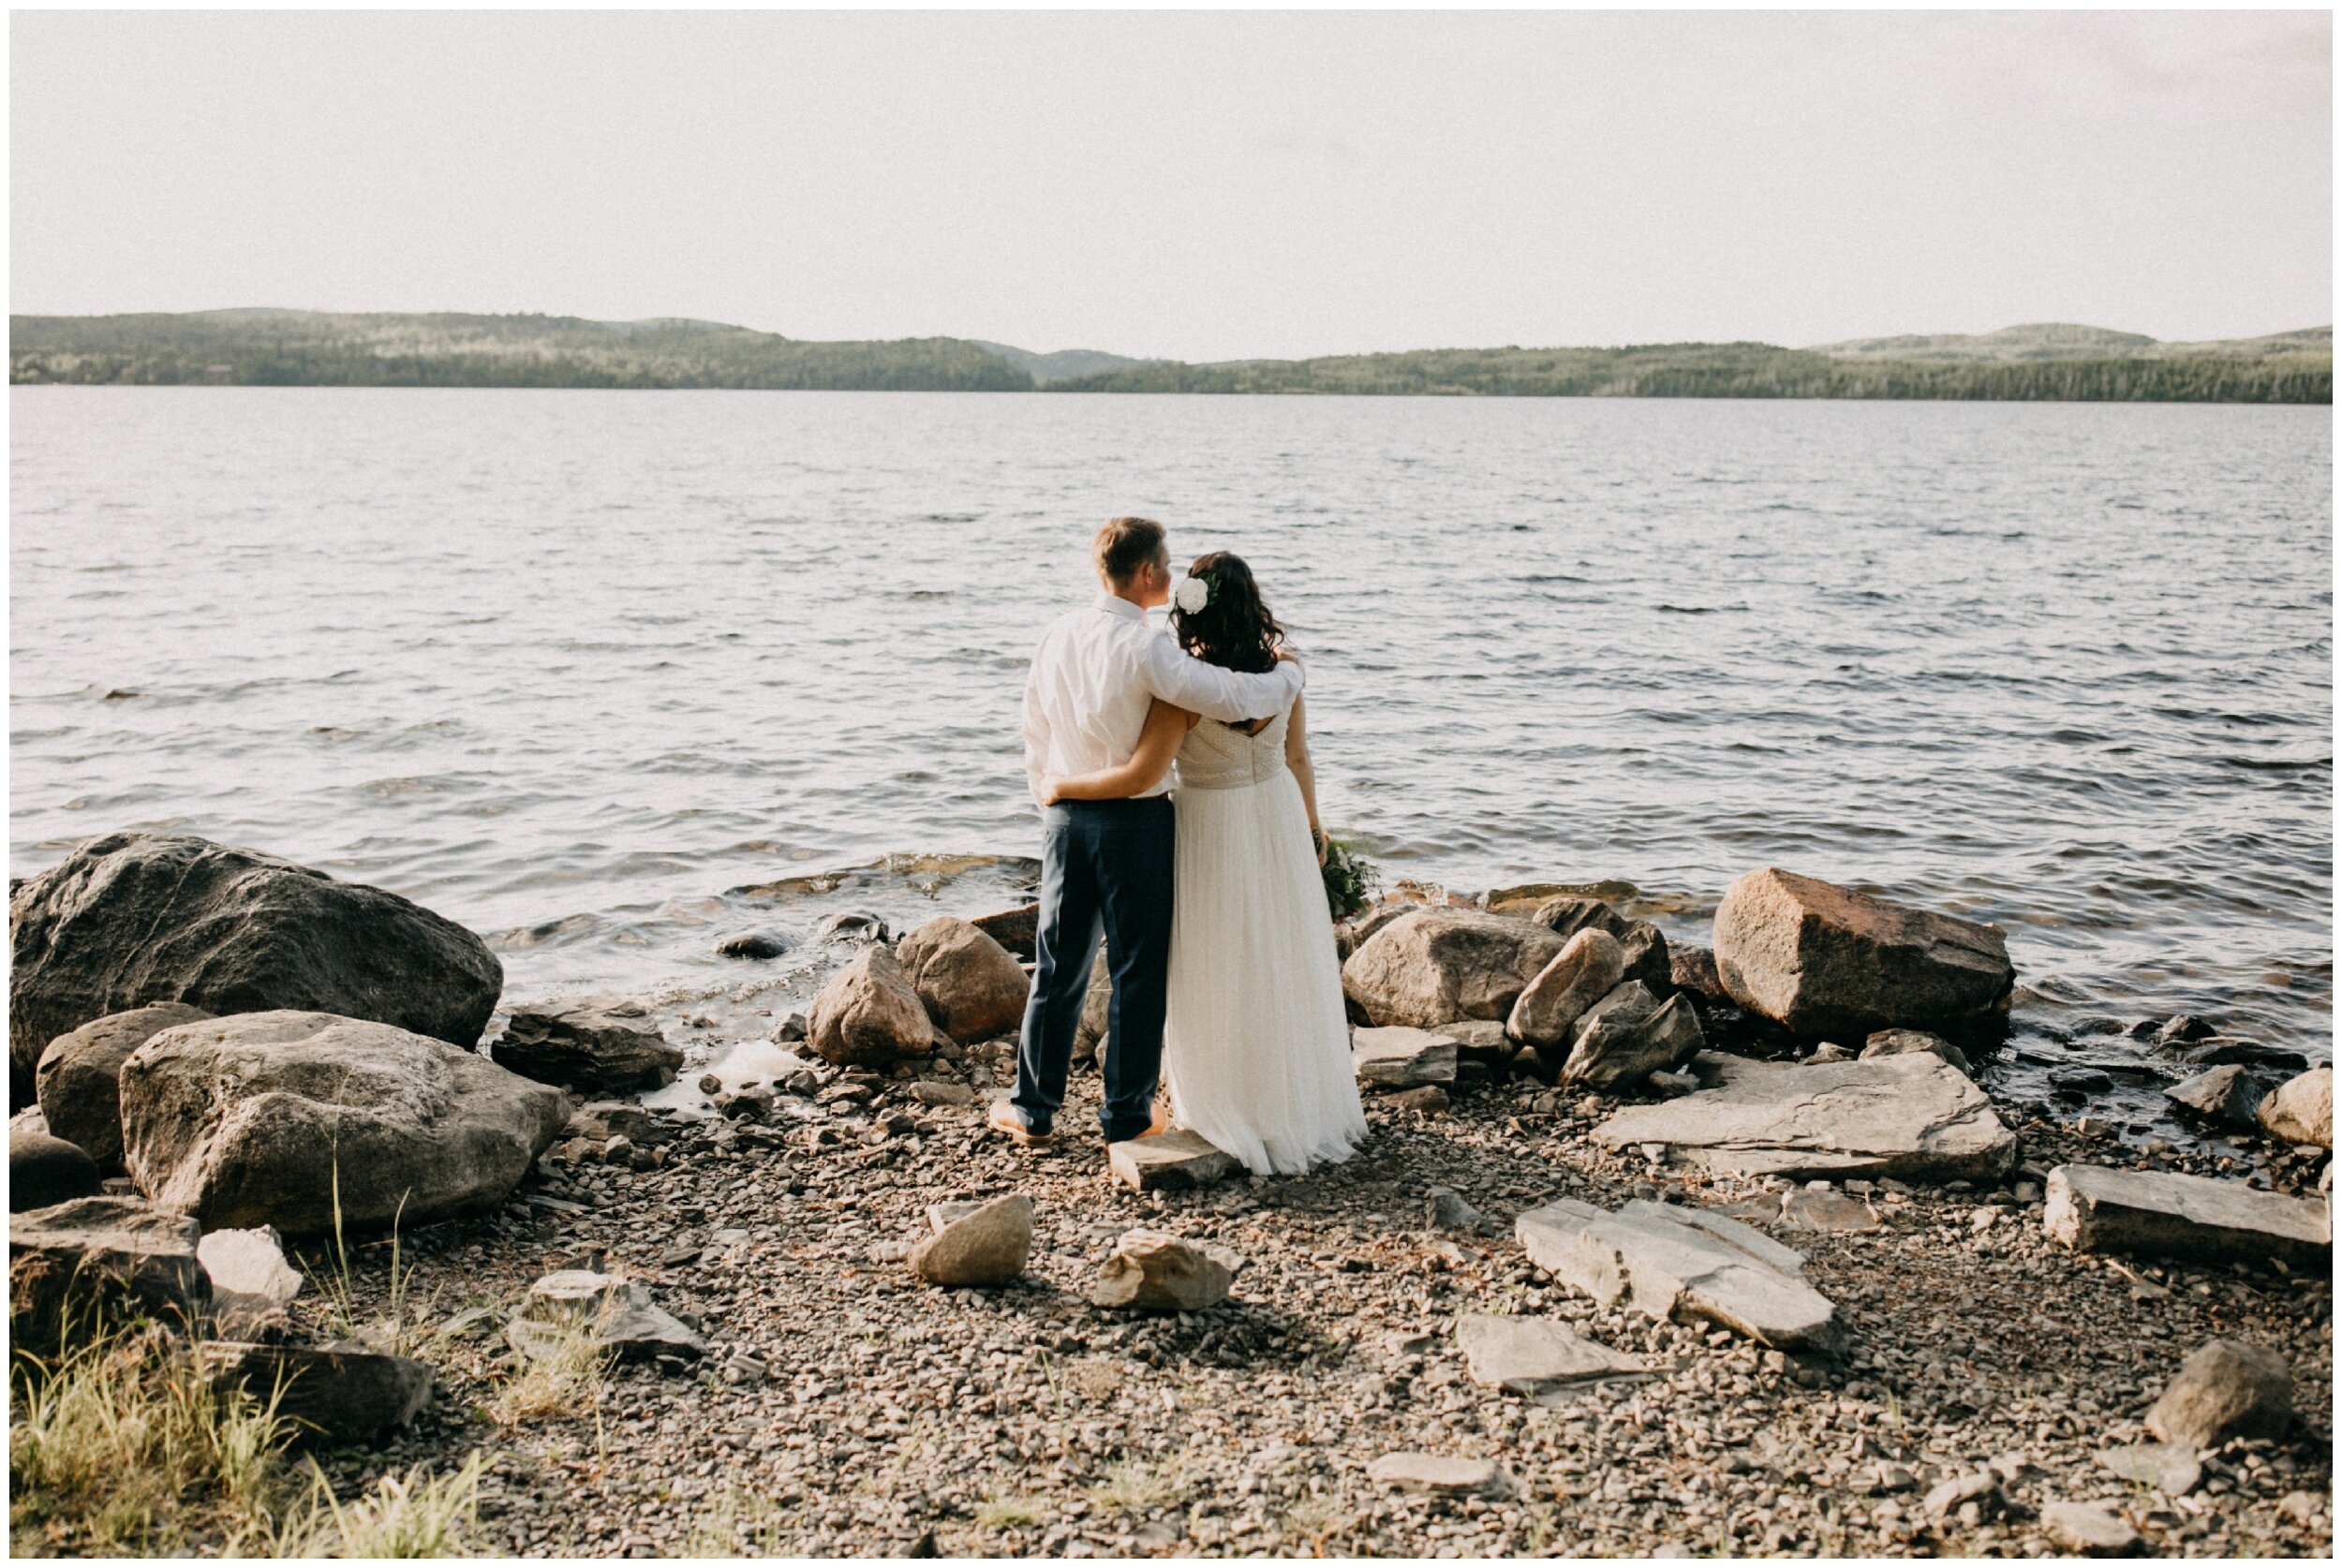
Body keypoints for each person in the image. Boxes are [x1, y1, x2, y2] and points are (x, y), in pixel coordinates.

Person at [1040, 551, 1366, 1176]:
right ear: (1253, 605)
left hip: (1208, 825)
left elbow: (1143, 773)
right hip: (1274, 817)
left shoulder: (1183, 689)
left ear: (1193, 611)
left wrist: (1065, 787)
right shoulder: (1286, 672)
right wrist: (1313, 826)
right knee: (1280, 956)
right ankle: (1294, 1104)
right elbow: (1299, 760)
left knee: (1213, 965)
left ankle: (1227, 1104)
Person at [994, 518, 1306, 1149]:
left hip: (1063, 818)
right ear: (1145, 574)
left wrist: (1049, 796)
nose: (1171, 576)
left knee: (1057, 967)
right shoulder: (1148, 650)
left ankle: (1032, 1108)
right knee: (1138, 970)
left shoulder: (1057, 633)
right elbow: (1228, 694)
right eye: (1165, 565)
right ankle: (1126, 1115)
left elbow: (1034, 728)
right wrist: (1289, 679)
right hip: (1134, 821)